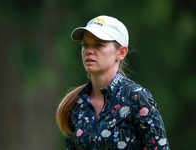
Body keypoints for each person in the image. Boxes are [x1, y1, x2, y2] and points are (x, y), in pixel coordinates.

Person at [56, 15, 170, 150]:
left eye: (99, 44)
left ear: (121, 52)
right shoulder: (75, 106)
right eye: (85, 44)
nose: (89, 51)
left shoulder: (137, 98)